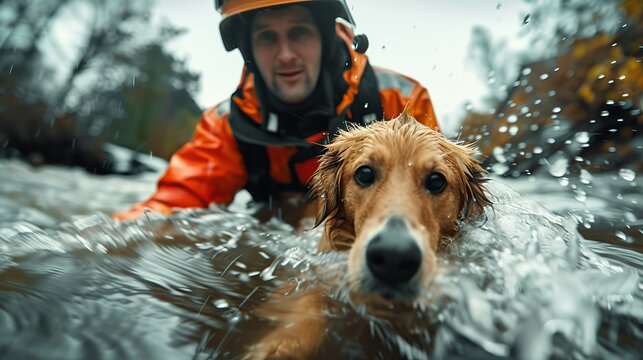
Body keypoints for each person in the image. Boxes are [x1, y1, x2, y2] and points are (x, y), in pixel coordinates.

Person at [114, 0, 439, 221]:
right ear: (249, 50)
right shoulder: (228, 125)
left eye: (299, 33)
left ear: (327, 39)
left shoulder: (399, 101)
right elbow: (170, 208)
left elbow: (438, 206)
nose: (285, 54)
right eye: (267, 37)